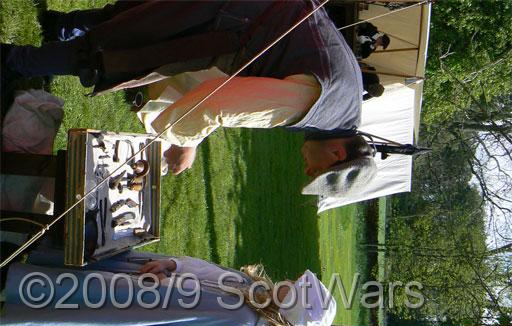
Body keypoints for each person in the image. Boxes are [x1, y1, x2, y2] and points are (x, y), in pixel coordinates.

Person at [2, 0, 377, 196]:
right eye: (317, 173)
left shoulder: (347, 97)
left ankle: (62, 26)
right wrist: (184, 142)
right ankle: (14, 61)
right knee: (112, 56)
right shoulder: (314, 105)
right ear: (337, 155)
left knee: (136, 18)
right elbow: (216, 102)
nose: (307, 170)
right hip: (229, 15)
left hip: (242, 13)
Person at [0, 248, 337, 326]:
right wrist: (171, 264)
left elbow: (175, 310)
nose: (291, 282)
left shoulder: (241, 320)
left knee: (53, 297)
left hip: (128, 304)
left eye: (296, 288)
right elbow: (207, 271)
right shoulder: (251, 293)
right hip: (136, 287)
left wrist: (160, 285)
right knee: (53, 278)